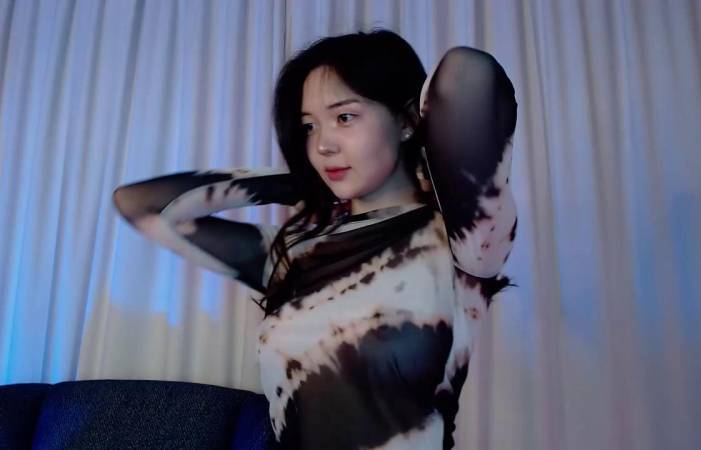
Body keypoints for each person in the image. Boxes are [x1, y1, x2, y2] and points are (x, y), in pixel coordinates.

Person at [113, 29, 517, 450]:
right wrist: (299, 183)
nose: (322, 145)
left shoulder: (462, 238)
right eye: (309, 126)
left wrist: (424, 153)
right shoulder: (296, 250)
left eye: (344, 117)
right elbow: (139, 204)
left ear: (406, 121)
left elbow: (468, 73)